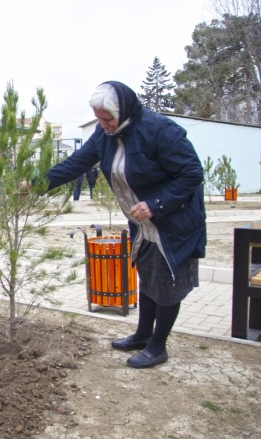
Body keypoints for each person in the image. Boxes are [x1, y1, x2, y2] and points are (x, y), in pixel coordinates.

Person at [41, 81, 205, 369]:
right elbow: (75, 164)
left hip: (173, 220)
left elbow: (191, 173)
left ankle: (158, 346)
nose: (103, 125)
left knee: (167, 282)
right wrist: (35, 184)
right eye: (99, 118)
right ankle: (143, 334)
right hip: (142, 223)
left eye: (107, 118)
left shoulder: (159, 130)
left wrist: (155, 204)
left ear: (124, 111)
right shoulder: (104, 135)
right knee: (147, 274)